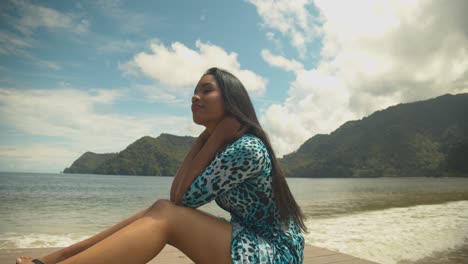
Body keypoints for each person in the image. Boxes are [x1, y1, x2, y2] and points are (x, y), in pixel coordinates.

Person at [16, 67, 307, 264]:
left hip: (275, 254)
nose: (195, 96)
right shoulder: (224, 144)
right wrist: (207, 137)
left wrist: (214, 135)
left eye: (206, 90)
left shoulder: (246, 148)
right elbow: (174, 196)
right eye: (195, 91)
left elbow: (183, 198)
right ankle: (53, 260)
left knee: (167, 217)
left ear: (231, 100)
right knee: (159, 208)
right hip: (252, 241)